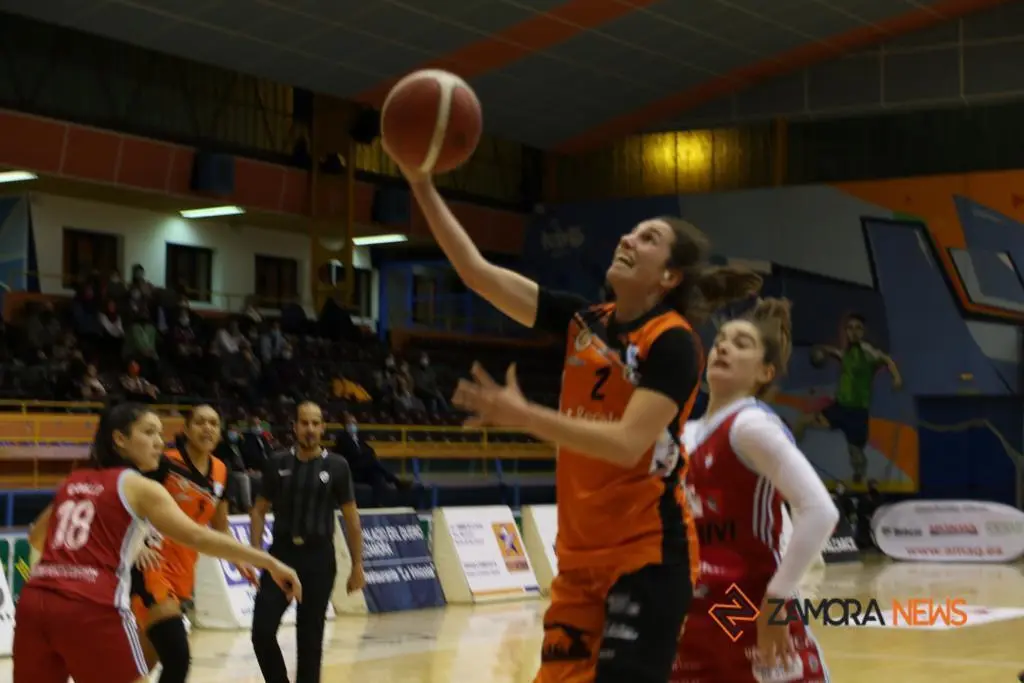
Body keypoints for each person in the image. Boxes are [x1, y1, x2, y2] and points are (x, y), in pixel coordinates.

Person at [385, 145, 760, 683]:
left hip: (647, 556)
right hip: (580, 561)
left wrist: (525, 416)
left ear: (669, 277)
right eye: (630, 231)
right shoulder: (582, 321)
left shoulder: (674, 343)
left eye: (648, 238)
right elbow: (475, 271)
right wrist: (421, 183)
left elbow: (628, 442)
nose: (628, 239)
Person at [15, 403, 301, 683]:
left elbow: (36, 536)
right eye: (149, 432)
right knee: (174, 654)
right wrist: (269, 561)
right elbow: (198, 535)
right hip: (91, 603)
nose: (158, 442)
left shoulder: (74, 481)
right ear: (120, 439)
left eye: (160, 433)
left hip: (35, 602)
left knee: (153, 657)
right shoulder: (141, 486)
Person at [671, 299, 839, 683]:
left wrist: (778, 599)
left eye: (741, 343)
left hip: (748, 608)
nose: (723, 347)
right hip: (692, 617)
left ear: (765, 371)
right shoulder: (684, 434)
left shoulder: (749, 425)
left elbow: (819, 510)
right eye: (720, 341)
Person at [130, 404, 250, 683]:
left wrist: (240, 559)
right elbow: (129, 501)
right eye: (200, 422)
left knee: (142, 664)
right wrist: (138, 545)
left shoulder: (222, 471)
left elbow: (220, 527)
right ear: (186, 429)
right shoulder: (163, 462)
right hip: (152, 568)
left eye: (213, 423)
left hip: (184, 571)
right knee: (178, 657)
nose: (207, 428)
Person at [250, 401, 366, 683]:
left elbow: (351, 519)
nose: (310, 429)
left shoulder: (337, 466)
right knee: (262, 632)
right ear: (295, 427)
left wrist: (357, 566)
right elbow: (258, 510)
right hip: (281, 556)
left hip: (319, 559)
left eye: (315, 423)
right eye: (304, 423)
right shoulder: (277, 462)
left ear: (323, 427)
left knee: (310, 640)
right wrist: (254, 555)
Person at [793, 313, 902, 484]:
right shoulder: (846, 353)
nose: (853, 332)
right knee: (803, 421)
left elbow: (887, 360)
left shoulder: (868, 352)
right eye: (850, 328)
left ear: (863, 331)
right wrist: (822, 351)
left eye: (857, 328)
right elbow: (835, 352)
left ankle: (859, 471)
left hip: (857, 413)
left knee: (855, 453)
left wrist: (896, 378)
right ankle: (790, 454)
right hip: (839, 408)